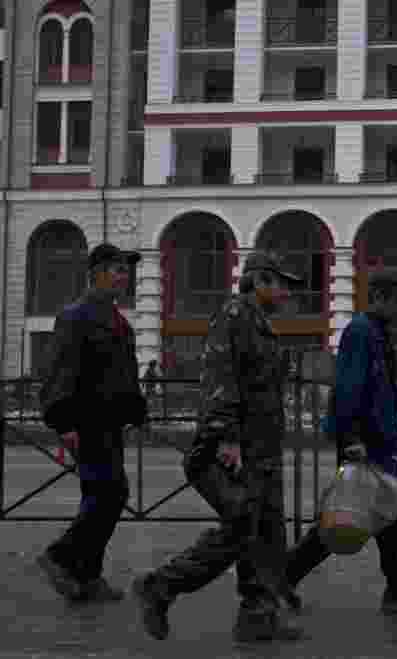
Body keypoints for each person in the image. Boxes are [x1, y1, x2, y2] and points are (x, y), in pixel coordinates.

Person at [132, 252, 306, 643]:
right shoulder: (235, 315)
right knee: (244, 524)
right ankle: (161, 586)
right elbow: (221, 375)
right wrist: (226, 437)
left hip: (262, 446)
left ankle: (258, 614)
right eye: (282, 284)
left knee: (264, 529)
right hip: (238, 445)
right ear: (260, 280)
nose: (287, 293)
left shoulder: (258, 322)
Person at [282, 270, 397, 616]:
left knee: (356, 515)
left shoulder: (377, 332)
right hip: (366, 442)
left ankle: (281, 579)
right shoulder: (361, 331)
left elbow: (367, 382)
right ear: (382, 297)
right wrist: (352, 439)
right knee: (377, 514)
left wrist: (393, 387)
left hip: (374, 439)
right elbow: (347, 389)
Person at [36, 243, 148, 603]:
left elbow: (123, 374)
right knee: (112, 494)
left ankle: (87, 577)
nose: (123, 276)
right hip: (86, 422)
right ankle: (60, 556)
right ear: (95, 273)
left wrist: (135, 412)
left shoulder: (115, 318)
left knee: (97, 496)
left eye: (125, 270)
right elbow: (60, 372)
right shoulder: (77, 315)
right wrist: (63, 422)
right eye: (116, 269)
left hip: (110, 422)